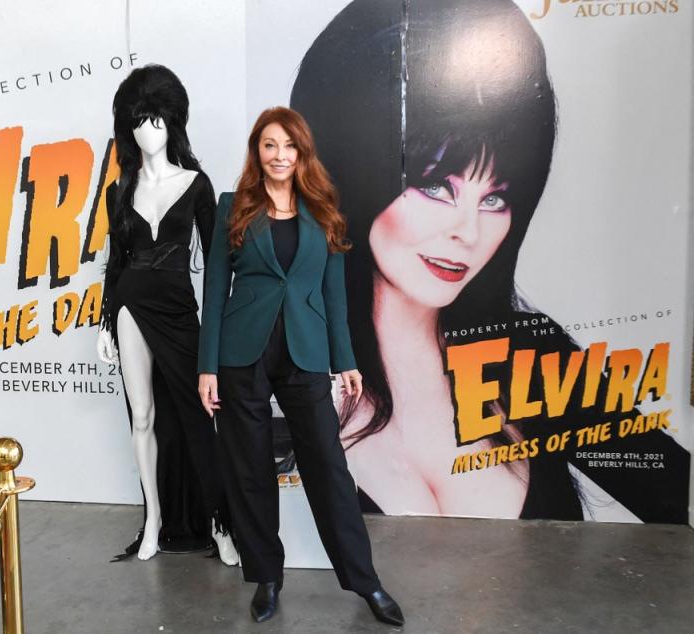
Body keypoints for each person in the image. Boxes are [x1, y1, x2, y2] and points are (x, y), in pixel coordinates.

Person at [290, 0, 690, 522]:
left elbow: (674, 493)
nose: (470, 231)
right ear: (349, 168)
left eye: (496, 198)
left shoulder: (528, 357)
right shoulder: (292, 377)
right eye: (436, 186)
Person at [198, 106, 404, 626]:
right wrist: (207, 367)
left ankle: (366, 581)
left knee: (329, 468)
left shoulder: (324, 210)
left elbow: (333, 294)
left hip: (305, 351)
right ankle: (266, 576)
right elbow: (214, 292)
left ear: (302, 152)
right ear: (257, 152)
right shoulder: (232, 208)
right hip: (242, 351)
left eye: (288, 146)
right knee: (249, 471)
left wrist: (346, 360)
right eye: (269, 145)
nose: (279, 156)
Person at [97, 65, 238, 563]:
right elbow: (116, 263)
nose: (146, 131)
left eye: (154, 119)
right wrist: (104, 321)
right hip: (132, 308)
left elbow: (219, 262)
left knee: (202, 415)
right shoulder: (119, 192)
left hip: (179, 311)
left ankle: (220, 524)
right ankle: (153, 518)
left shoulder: (197, 185)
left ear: (172, 122)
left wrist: (224, 327)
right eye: (137, 122)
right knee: (142, 417)